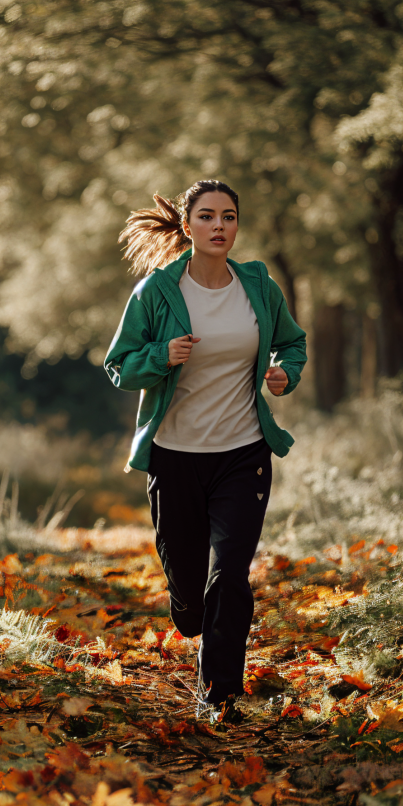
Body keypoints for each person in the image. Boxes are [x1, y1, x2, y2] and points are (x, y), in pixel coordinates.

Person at [103, 180, 307, 725]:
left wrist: (285, 375)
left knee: (231, 577)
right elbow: (119, 364)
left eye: (230, 217)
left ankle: (218, 695)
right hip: (175, 457)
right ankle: (187, 608)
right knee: (192, 595)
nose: (220, 226)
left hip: (243, 453)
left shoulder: (258, 286)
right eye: (209, 216)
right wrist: (160, 356)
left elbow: (293, 341)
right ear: (188, 226)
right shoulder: (157, 292)